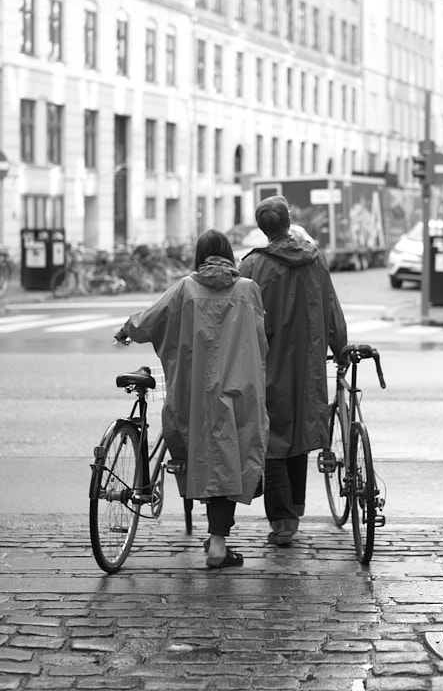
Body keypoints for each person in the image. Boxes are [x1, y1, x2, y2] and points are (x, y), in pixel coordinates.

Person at [114, 230, 269, 569]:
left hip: (194, 391)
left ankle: (214, 537)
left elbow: (153, 318)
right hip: (239, 390)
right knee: (233, 456)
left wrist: (128, 328)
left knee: (202, 453)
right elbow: (260, 343)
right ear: (229, 256)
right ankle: (217, 541)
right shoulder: (248, 291)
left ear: (200, 256)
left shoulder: (186, 288)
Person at [239, 195, 348, 547]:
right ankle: (295, 512)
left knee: (271, 440)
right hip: (308, 366)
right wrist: (340, 349)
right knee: (299, 436)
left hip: (267, 365)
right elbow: (332, 308)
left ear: (263, 229)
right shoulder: (314, 260)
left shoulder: (254, 265)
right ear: (289, 221)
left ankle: (282, 521)